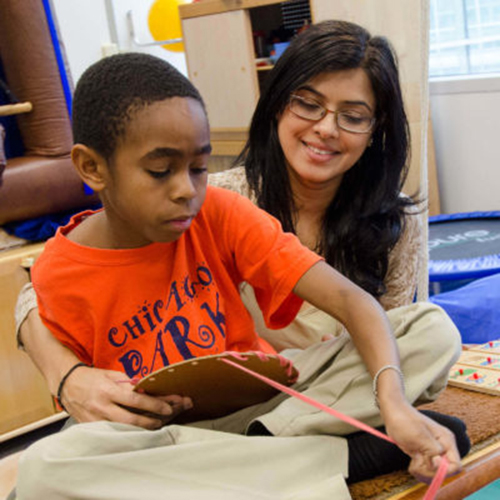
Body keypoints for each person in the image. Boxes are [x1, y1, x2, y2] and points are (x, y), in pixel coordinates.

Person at [13, 42, 467, 500]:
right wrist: (69, 376)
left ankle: (244, 467)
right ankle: (339, 459)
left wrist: (392, 404)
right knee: (45, 467)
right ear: (91, 167)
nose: (185, 190)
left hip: (271, 404)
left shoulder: (218, 209)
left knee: (429, 328)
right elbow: (42, 326)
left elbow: (355, 303)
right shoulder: (61, 266)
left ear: (376, 129)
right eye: (159, 171)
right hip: (155, 435)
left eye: (199, 168)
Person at [209, 20, 423, 351]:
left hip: (346, 381)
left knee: (432, 329)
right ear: (277, 104)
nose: (326, 128)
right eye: (308, 105)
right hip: (247, 386)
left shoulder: (397, 219)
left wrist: (351, 357)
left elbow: (400, 343)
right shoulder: (215, 200)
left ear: (373, 132)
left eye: (352, 117)